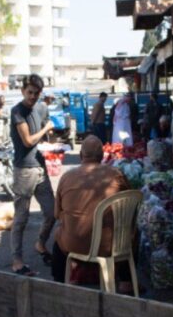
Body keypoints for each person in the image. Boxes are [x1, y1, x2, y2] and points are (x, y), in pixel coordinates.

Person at [51, 135, 131, 288]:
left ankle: (59, 283)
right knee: (131, 231)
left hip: (73, 246)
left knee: (58, 237)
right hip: (109, 247)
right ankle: (126, 281)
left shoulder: (67, 177)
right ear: (102, 156)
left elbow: (56, 214)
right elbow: (129, 203)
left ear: (81, 156)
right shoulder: (116, 174)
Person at [9, 73, 56, 276]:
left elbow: (45, 133)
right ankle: (17, 261)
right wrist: (46, 127)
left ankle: (40, 243)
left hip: (40, 167)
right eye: (30, 93)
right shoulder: (17, 111)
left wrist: (50, 136)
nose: (33, 97)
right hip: (24, 171)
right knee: (21, 218)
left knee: (53, 212)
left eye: (37, 93)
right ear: (22, 91)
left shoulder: (40, 108)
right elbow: (28, 141)